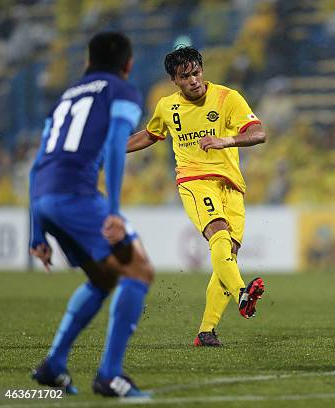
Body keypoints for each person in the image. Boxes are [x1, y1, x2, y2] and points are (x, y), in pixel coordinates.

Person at [29, 32, 153, 397]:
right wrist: (113, 210)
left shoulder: (65, 97)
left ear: (87, 61)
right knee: (138, 270)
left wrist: (37, 233)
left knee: (103, 279)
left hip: (44, 197)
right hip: (77, 194)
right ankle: (110, 376)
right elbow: (116, 144)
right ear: (128, 65)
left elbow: (37, 165)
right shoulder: (122, 91)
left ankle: (54, 366)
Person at [126, 46, 266, 347]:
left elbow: (258, 133)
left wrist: (225, 140)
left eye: (196, 72)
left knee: (227, 254)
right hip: (193, 180)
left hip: (231, 185)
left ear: (202, 69)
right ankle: (243, 292)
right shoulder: (166, 106)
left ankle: (206, 330)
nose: (193, 80)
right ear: (174, 80)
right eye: (185, 76)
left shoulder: (227, 97)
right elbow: (151, 134)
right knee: (218, 235)